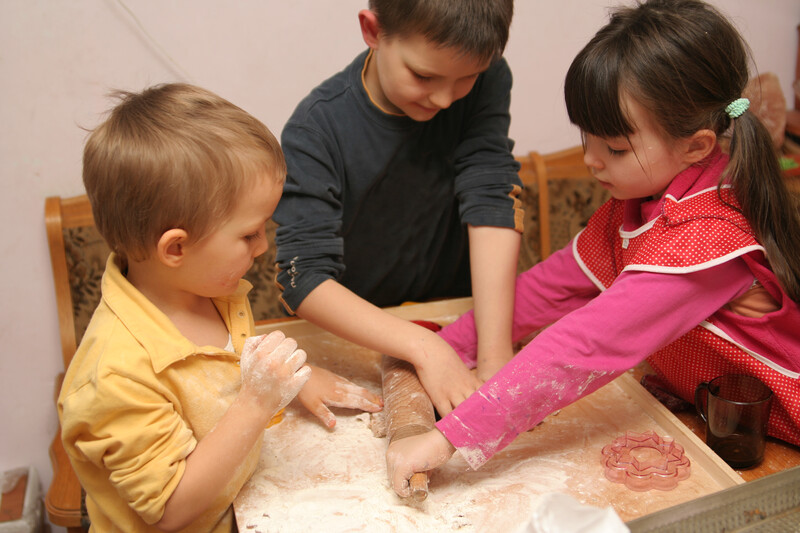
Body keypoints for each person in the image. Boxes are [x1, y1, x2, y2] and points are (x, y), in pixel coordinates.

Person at [386, 0, 800, 497]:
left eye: (616, 149)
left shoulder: (710, 236)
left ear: (696, 146)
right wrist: (437, 349)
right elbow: (545, 290)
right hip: (707, 411)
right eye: (587, 138)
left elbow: (584, 345)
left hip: (779, 444)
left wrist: (447, 438)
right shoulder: (643, 200)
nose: (591, 161)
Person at [58, 83, 382, 532]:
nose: (264, 245)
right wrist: (256, 403)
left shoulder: (207, 288)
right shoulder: (115, 376)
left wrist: (289, 383)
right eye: (249, 235)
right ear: (176, 248)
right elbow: (170, 511)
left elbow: (222, 373)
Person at [273, 0, 522, 416]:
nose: (445, 98)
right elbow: (304, 278)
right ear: (373, 30)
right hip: (361, 331)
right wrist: (424, 346)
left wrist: (496, 357)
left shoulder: (490, 78)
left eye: (467, 78)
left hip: (455, 313)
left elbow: (491, 195)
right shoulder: (315, 128)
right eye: (424, 76)